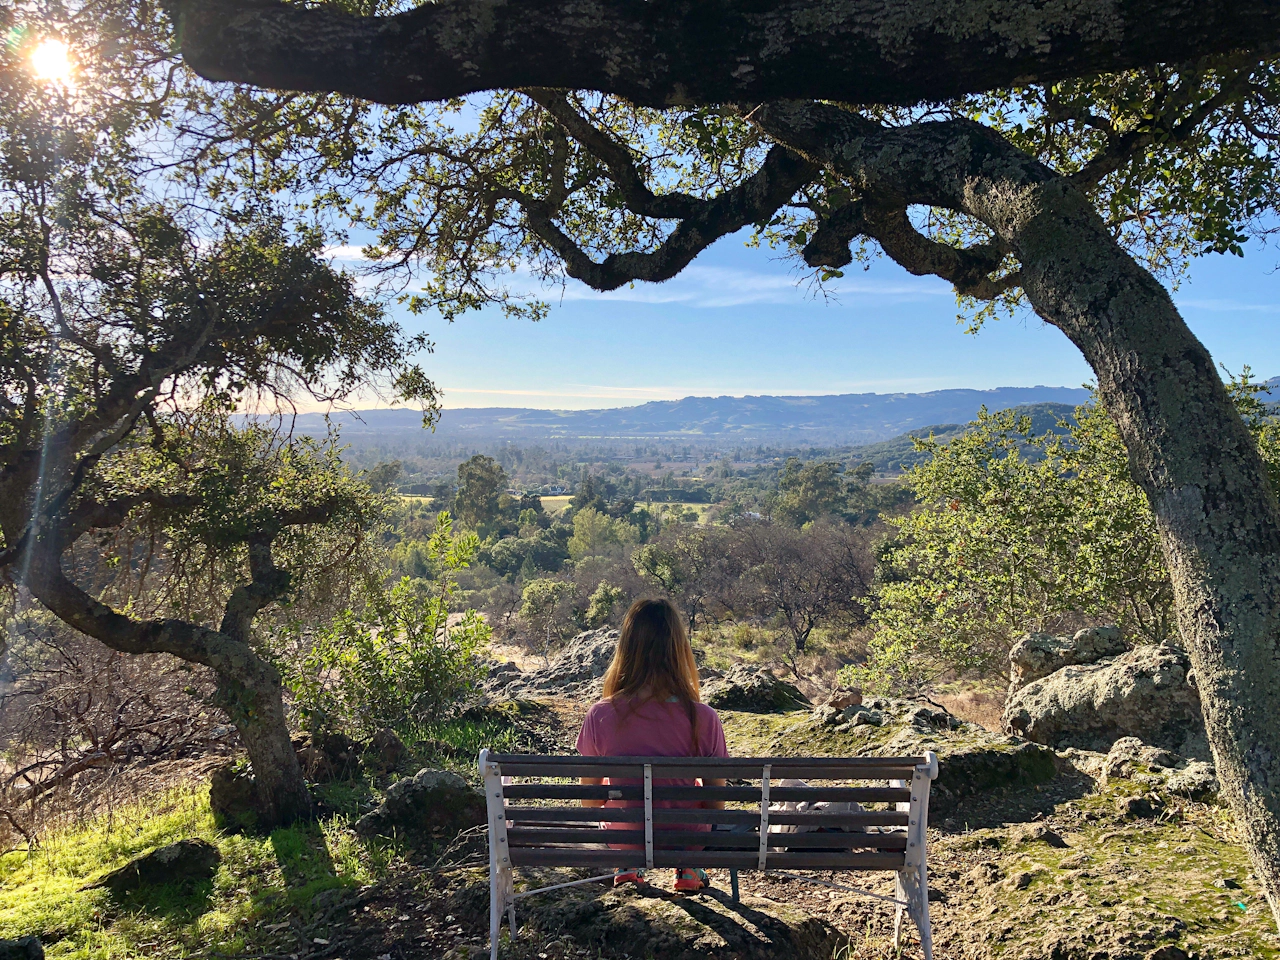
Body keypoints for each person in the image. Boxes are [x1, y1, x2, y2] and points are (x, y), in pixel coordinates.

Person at [576, 597, 728, 891]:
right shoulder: (704, 718)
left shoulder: (600, 715)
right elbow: (715, 804)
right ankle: (688, 869)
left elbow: (591, 801)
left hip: (624, 834)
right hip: (684, 834)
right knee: (691, 801)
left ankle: (629, 864)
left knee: (621, 799)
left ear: (627, 649)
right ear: (678, 651)